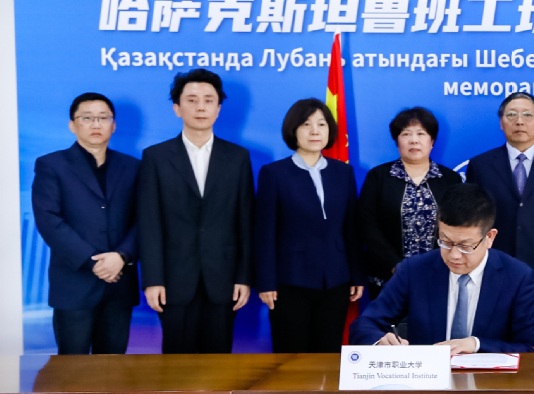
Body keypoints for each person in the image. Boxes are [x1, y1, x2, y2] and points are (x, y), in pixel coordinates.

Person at [138, 69, 254, 354]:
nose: (200, 107)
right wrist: (153, 280)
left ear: (219, 108)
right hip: (173, 280)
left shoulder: (238, 157)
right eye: (191, 100)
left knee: (219, 362)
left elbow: (246, 222)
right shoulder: (155, 157)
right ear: (177, 108)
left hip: (223, 279)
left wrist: (244, 276)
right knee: (176, 363)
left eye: (208, 100)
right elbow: (149, 223)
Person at [350, 184, 534, 352]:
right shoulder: (414, 270)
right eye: (445, 242)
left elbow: (531, 347)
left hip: (490, 380)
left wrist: (476, 345)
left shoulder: (517, 277)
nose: (454, 255)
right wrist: (379, 341)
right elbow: (365, 324)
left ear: (490, 237)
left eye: (466, 246)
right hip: (428, 378)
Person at [32, 92, 140, 355]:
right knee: (71, 368)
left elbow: (144, 220)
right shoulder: (52, 165)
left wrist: (122, 256)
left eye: (103, 118)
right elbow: (49, 220)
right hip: (74, 284)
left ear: (113, 125)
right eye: (87, 118)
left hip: (119, 283)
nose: (95, 124)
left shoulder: (133, 167)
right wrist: (94, 263)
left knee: (114, 367)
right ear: (73, 124)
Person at [255, 98, 365, 354]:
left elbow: (351, 228)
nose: (315, 131)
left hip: (336, 280)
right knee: (290, 354)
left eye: (321, 124)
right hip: (290, 280)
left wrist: (357, 274)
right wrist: (266, 282)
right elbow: (264, 232)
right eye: (306, 124)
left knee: (328, 353)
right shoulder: (274, 173)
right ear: (293, 130)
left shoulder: (343, 172)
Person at [466, 91, 534, 308]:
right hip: (493, 268)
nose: (519, 121)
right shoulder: (480, 166)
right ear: (501, 122)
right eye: (511, 115)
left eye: (527, 115)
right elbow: (472, 223)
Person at [358, 107, 462, 299]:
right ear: (397, 141)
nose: (414, 140)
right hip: (388, 278)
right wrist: (394, 264)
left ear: (432, 141)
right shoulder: (379, 177)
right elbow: (367, 225)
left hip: (439, 275)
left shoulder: (450, 180)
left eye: (421, 134)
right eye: (406, 134)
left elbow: (459, 225)